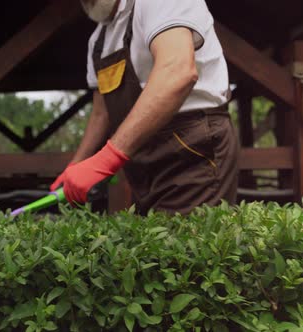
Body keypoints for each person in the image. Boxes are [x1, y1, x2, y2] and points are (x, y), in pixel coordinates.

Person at [50, 0, 239, 215]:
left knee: (182, 244)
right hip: (142, 160)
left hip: (191, 149)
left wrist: (106, 160)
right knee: (154, 242)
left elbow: (178, 72)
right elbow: (101, 113)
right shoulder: (98, 41)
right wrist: (76, 165)